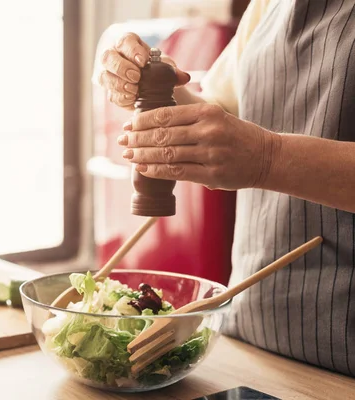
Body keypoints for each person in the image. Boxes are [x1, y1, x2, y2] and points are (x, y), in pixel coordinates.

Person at [96, 0, 355, 377]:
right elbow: (223, 112)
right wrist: (149, 82)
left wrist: (269, 158)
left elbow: (254, 146)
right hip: (253, 339)